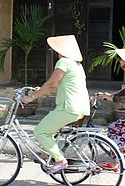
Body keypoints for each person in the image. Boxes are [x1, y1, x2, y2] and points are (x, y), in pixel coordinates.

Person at [21, 35, 90, 174]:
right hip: (81, 106)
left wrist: (32, 97)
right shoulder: (77, 65)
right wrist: (40, 89)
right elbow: (62, 84)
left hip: (68, 107)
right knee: (50, 129)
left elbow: (52, 84)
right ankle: (48, 153)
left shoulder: (63, 62)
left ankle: (60, 160)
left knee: (40, 131)